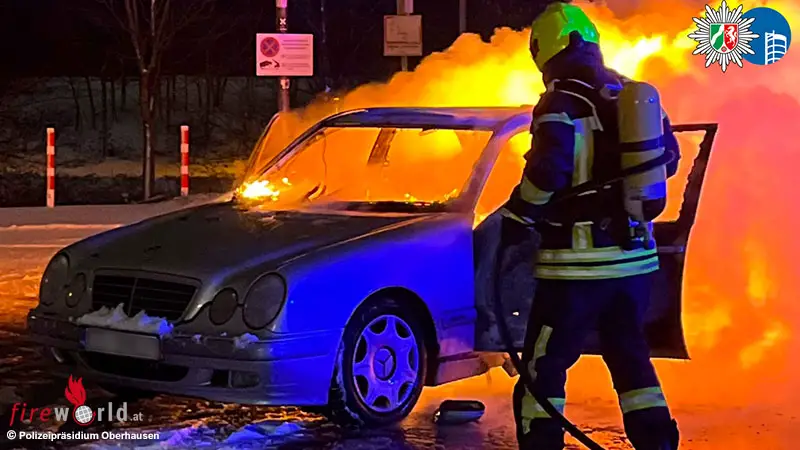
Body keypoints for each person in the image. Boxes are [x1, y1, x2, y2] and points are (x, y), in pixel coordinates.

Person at [499, 2, 682, 449]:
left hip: (576, 268)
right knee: (631, 359)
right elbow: (670, 159)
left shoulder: (559, 101)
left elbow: (548, 172)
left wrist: (517, 216)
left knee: (544, 366)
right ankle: (658, 442)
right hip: (635, 264)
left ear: (543, 50)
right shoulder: (632, 94)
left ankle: (542, 443)